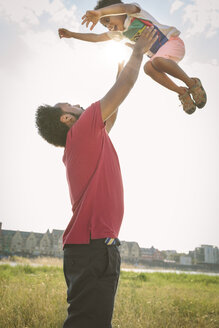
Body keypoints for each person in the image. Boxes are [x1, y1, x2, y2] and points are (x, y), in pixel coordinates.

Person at [35, 27, 157, 328]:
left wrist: (119, 62)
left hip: (91, 249)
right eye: (70, 105)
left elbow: (112, 111)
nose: (77, 104)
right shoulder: (81, 130)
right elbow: (126, 85)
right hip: (93, 249)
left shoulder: (84, 140)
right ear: (67, 119)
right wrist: (138, 50)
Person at [58, 0, 207, 115]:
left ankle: (192, 83)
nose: (108, 27)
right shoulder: (120, 34)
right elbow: (97, 37)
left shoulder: (134, 12)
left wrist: (100, 13)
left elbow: (123, 8)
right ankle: (181, 92)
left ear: (115, 11)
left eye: (108, 21)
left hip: (172, 43)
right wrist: (72, 35)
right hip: (161, 58)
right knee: (147, 67)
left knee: (155, 61)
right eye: (105, 26)